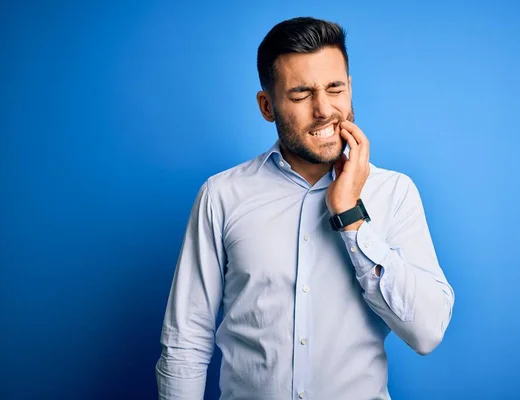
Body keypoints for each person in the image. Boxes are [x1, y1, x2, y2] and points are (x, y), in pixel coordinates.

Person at [155, 16, 455, 400]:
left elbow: (427, 332)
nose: (324, 109)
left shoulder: (394, 193)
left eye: (335, 89)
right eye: (300, 95)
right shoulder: (222, 195)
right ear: (267, 106)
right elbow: (186, 339)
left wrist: (350, 217)